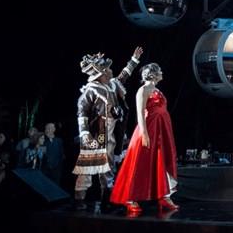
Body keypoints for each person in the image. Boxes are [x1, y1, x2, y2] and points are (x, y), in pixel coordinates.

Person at [72, 47, 144, 210]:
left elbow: (123, 76)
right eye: (107, 69)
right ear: (102, 73)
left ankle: (108, 200)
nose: (111, 71)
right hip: (96, 132)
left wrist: (134, 60)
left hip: (111, 131)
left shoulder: (112, 85)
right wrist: (84, 132)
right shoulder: (91, 90)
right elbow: (82, 111)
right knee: (88, 166)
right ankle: (79, 199)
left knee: (109, 166)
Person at [110, 63, 179, 215]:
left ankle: (164, 196)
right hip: (149, 129)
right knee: (140, 163)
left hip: (161, 130)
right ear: (152, 74)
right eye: (159, 71)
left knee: (160, 161)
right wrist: (144, 133)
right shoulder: (143, 90)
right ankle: (130, 198)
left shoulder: (158, 90)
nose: (162, 72)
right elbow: (140, 113)